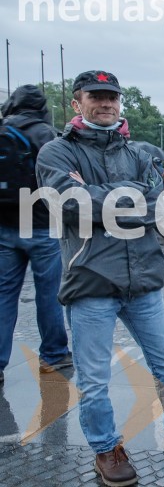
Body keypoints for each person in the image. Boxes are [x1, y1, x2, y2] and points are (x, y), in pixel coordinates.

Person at [36, 71, 164, 487]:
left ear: (120, 102)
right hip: (90, 280)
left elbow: (163, 206)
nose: (106, 103)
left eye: (112, 97)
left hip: (142, 278)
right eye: (96, 97)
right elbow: (69, 204)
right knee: (94, 378)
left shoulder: (141, 151)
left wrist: (101, 194)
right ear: (77, 103)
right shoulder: (56, 152)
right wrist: (131, 194)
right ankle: (106, 448)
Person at [0, 85, 72, 386]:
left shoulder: (2, 129)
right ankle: (54, 354)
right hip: (42, 224)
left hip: (5, 225)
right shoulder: (47, 134)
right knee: (49, 294)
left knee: (4, 294)